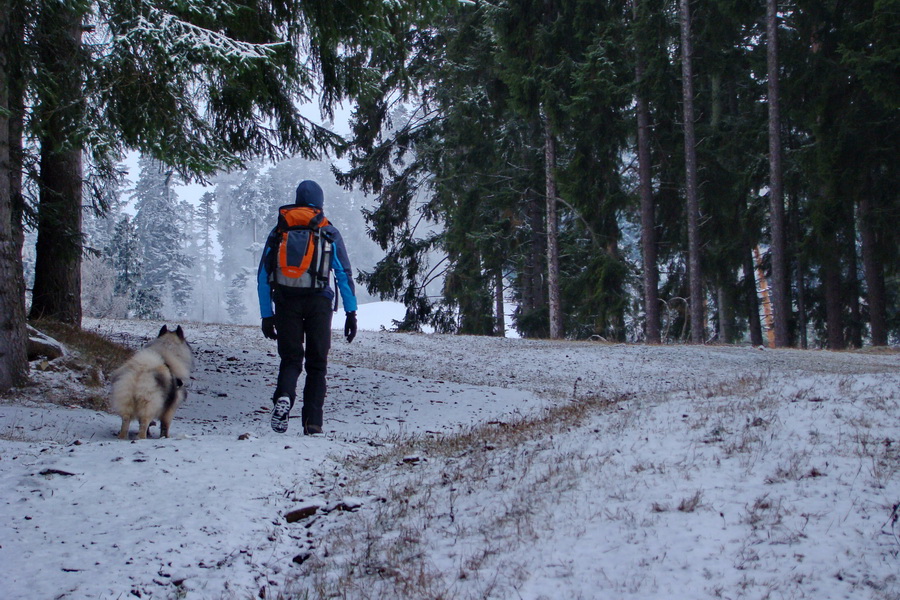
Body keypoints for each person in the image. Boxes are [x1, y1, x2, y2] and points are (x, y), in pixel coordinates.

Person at [257, 180, 358, 435]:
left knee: (291, 359)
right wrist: (351, 312)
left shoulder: (279, 230)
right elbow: (343, 274)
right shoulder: (328, 231)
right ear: (320, 203)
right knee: (317, 363)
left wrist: (266, 316)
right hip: (319, 303)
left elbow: (262, 276)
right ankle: (313, 422)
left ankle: (284, 396)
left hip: (285, 300)